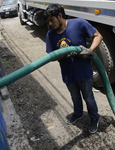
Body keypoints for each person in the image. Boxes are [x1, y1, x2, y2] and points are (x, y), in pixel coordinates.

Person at [44, 4, 103, 133]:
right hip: (68, 73)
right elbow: (50, 56)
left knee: (88, 97)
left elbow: (98, 36)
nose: (49, 23)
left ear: (60, 15)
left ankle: (94, 118)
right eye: (48, 21)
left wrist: (89, 50)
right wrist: (62, 54)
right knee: (75, 96)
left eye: (51, 20)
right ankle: (78, 113)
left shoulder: (79, 23)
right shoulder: (50, 35)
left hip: (83, 72)